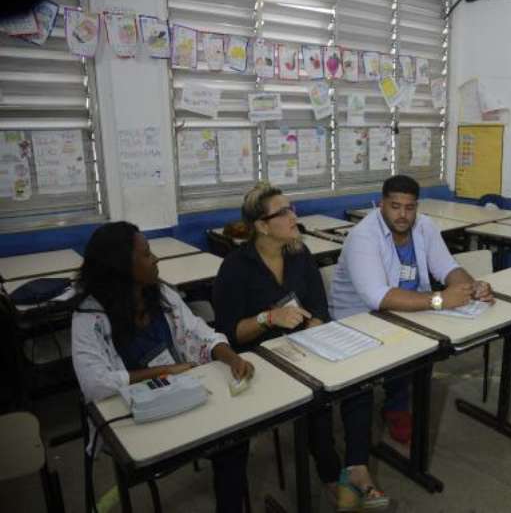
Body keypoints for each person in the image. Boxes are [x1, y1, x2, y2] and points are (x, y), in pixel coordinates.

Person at [212, 182, 388, 510]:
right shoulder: (235, 267)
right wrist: (268, 318)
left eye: (293, 208)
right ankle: (334, 478)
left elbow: (319, 307)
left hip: (306, 346)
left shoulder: (299, 253)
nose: (294, 216)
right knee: (315, 402)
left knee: (359, 383)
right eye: (284, 212)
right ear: (262, 226)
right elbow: (229, 334)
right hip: (261, 360)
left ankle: (356, 468)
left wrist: (315, 332)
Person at [71, 221, 254, 513]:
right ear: (120, 266)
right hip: (133, 413)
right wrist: (163, 372)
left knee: (233, 441)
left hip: (183, 391)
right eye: (146, 254)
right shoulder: (89, 317)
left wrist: (230, 356)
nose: (155, 259)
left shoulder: (162, 295)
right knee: (144, 458)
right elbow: (95, 383)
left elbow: (199, 331)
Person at [330, 174, 494, 444]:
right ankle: (364, 423)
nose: (403, 215)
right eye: (395, 207)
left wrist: (472, 287)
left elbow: (446, 266)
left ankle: (396, 405)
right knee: (368, 376)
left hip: (407, 311)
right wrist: (440, 299)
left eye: (410, 207)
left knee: (425, 349)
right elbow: (377, 297)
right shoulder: (363, 236)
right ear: (381, 205)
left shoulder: (424, 226)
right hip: (358, 319)